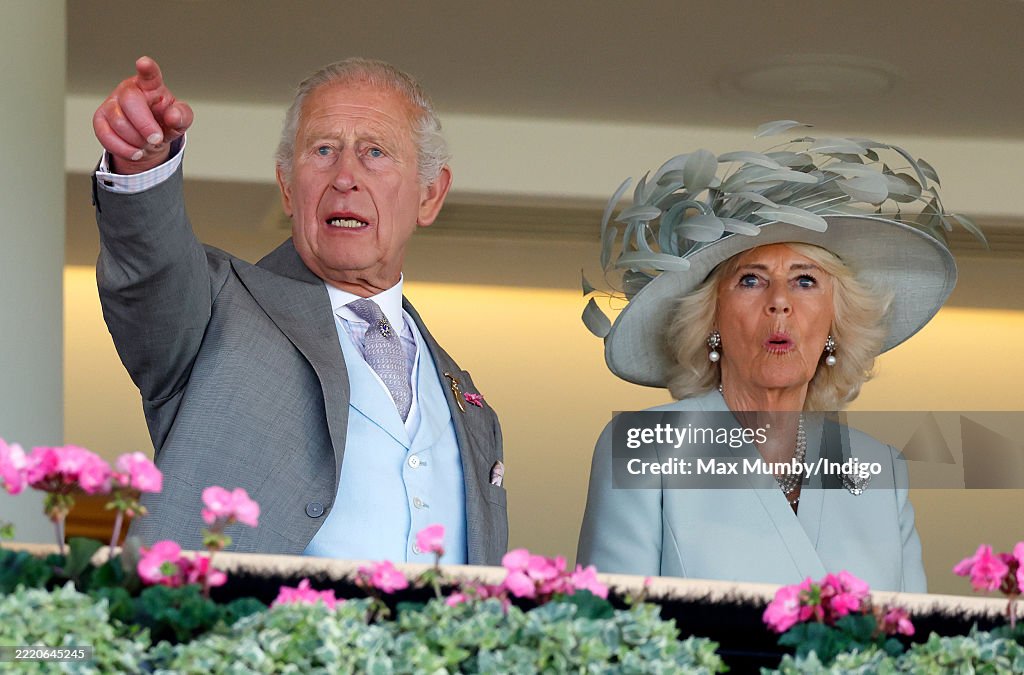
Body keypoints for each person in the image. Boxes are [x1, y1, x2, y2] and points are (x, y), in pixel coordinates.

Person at [91, 56, 507, 565]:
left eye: (375, 152)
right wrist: (142, 168)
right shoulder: (216, 309)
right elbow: (149, 267)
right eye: (323, 150)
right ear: (288, 187)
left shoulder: (471, 405)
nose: (345, 177)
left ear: (429, 194)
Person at [577, 127, 974, 592]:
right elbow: (611, 637)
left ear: (835, 324)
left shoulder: (878, 467)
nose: (780, 302)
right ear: (711, 320)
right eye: (751, 280)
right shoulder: (648, 447)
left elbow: (913, 645)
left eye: (805, 281)